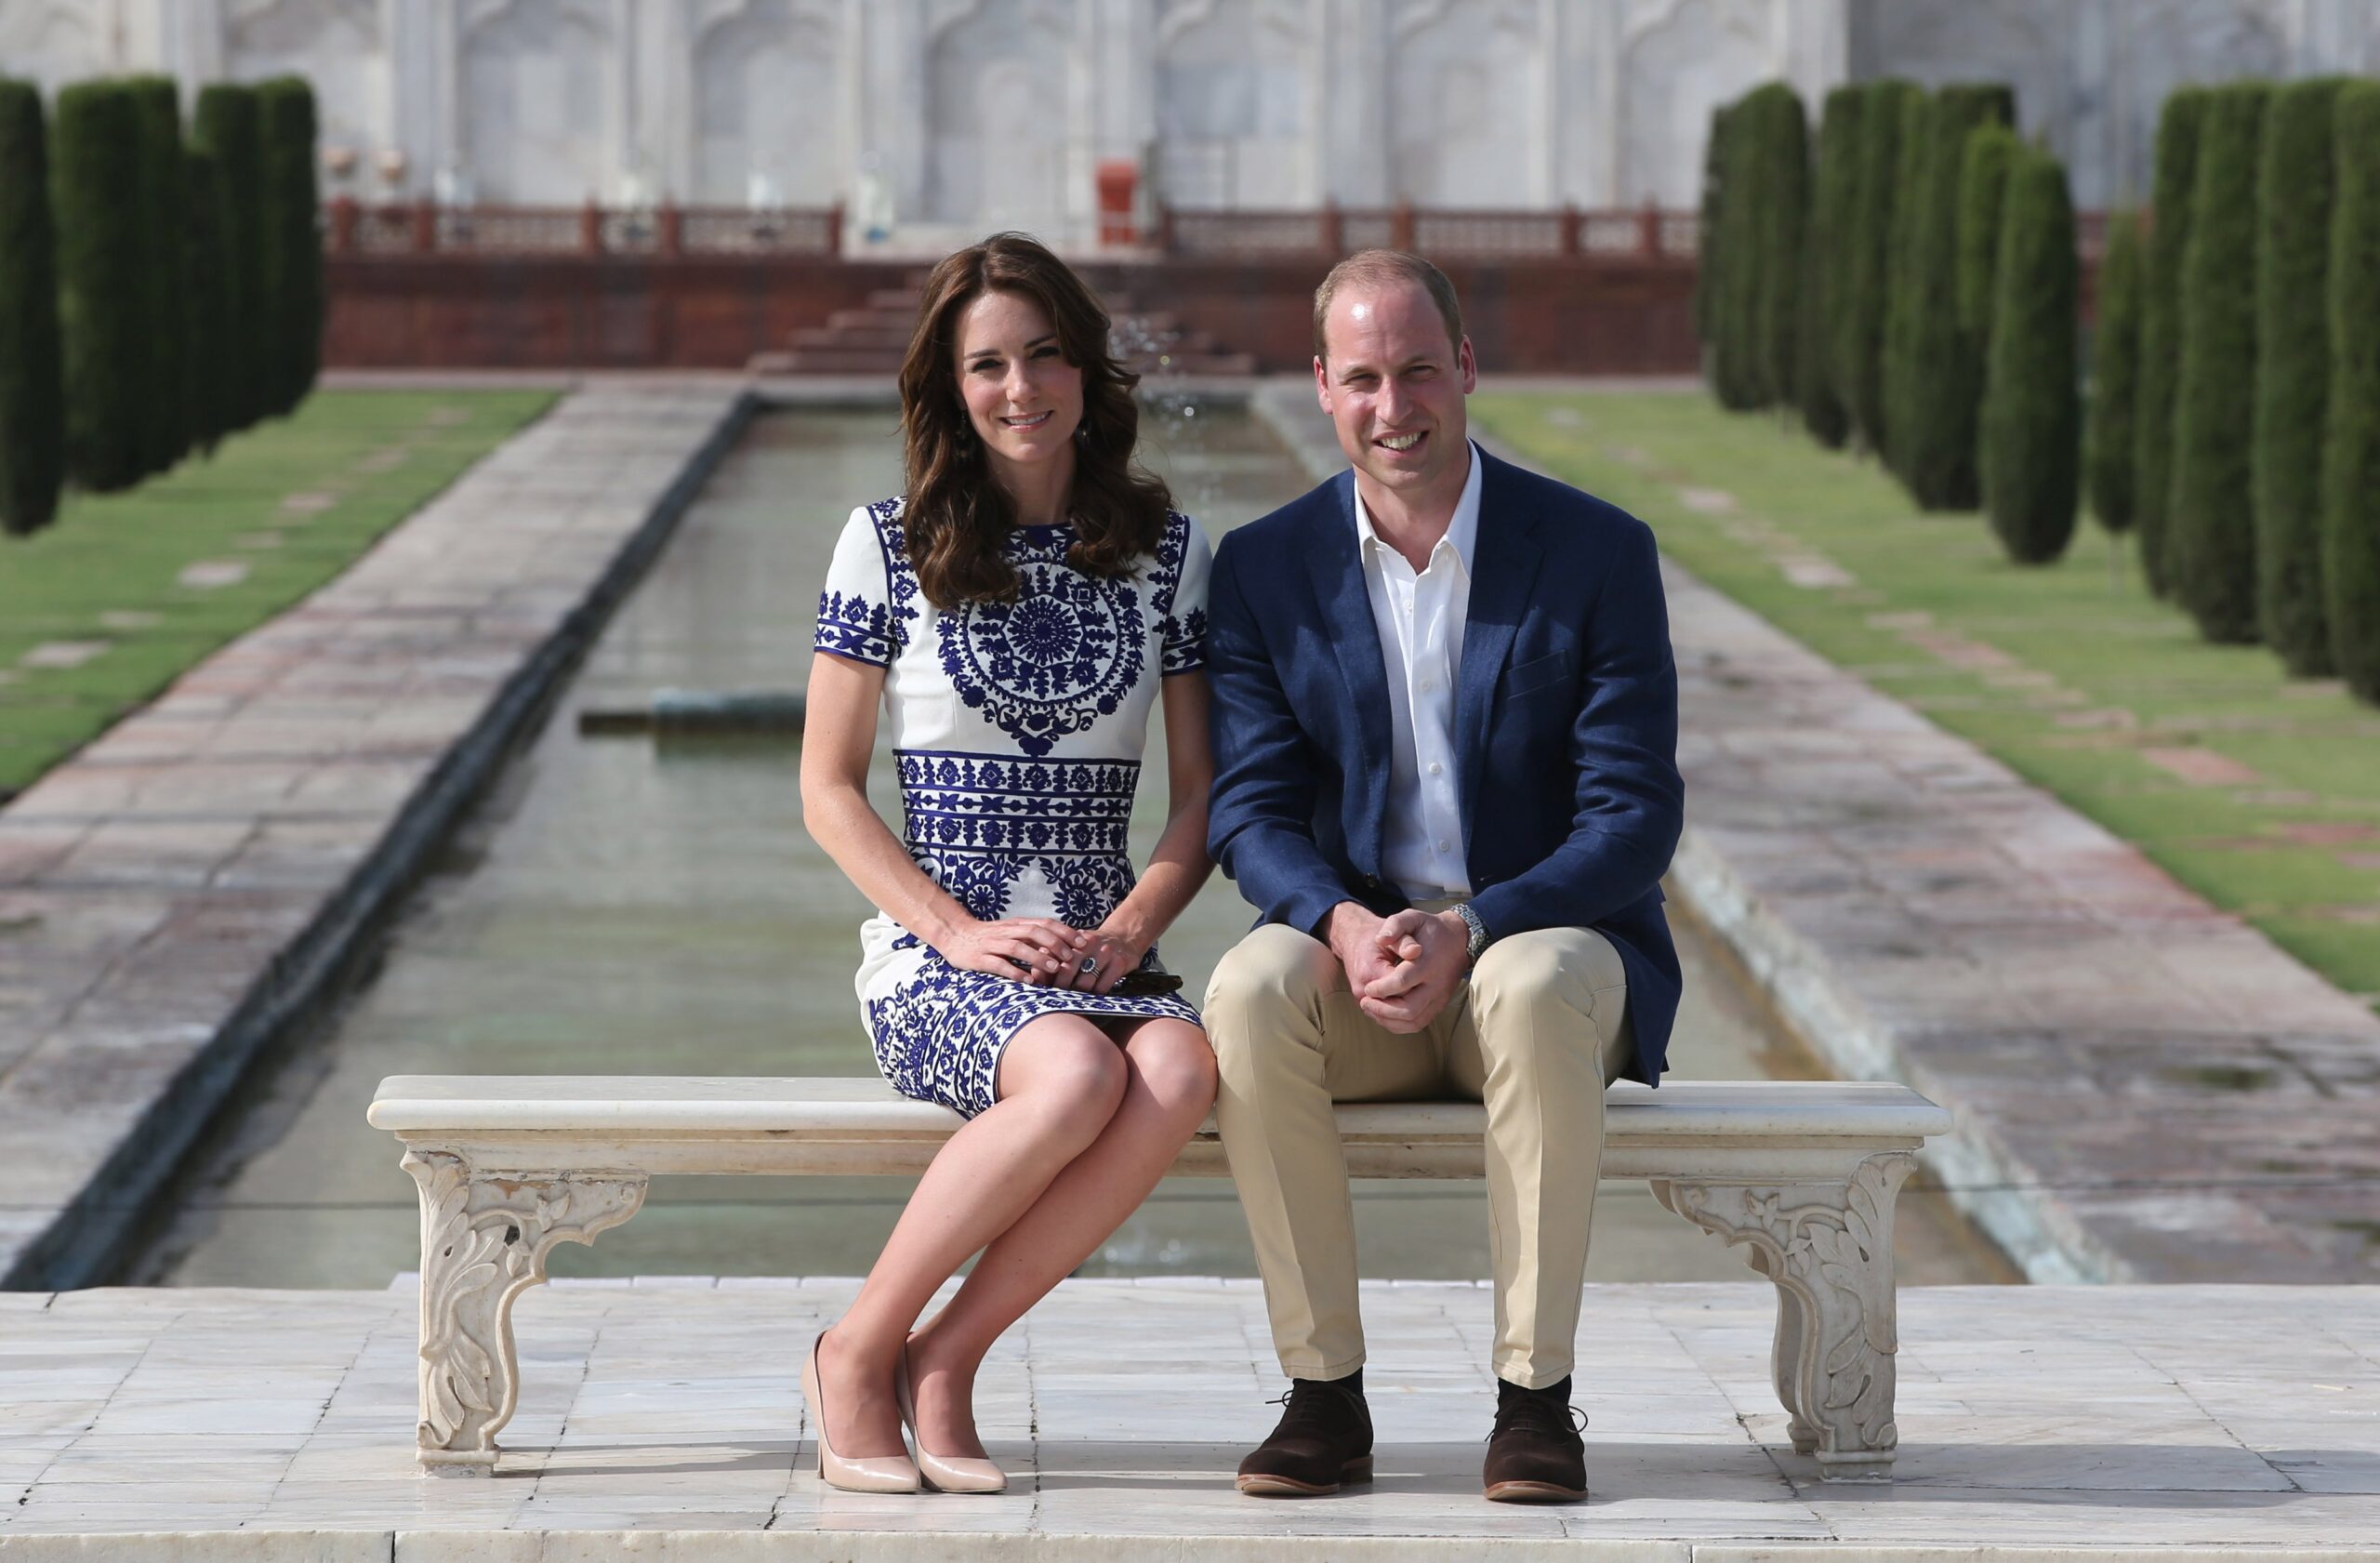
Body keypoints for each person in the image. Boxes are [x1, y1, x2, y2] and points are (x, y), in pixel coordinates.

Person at [1201, 250, 1684, 1503]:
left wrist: (1475, 926)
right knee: (1249, 985)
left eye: (1419, 369)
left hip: (1544, 957)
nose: (1392, 405)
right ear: (1320, 386)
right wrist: (1344, 922)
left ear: (1466, 367)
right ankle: (1323, 1397)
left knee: (1527, 982)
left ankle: (1535, 1403)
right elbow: (1247, 814)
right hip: (1364, 973)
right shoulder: (1264, 570)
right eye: (1361, 377)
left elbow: (1634, 817)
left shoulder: (1594, 552)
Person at [800, 232, 1219, 1495]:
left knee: (1185, 1063)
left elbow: (1203, 794)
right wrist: (958, 933)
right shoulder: (884, 545)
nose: (1019, 387)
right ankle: (855, 1348)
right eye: (988, 364)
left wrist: (1140, 921)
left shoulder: (1167, 554)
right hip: (941, 957)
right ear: (952, 386)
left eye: (1044, 355)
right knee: (1080, 1068)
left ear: (1089, 371)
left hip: (1104, 947)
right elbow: (828, 790)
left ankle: (946, 1360)